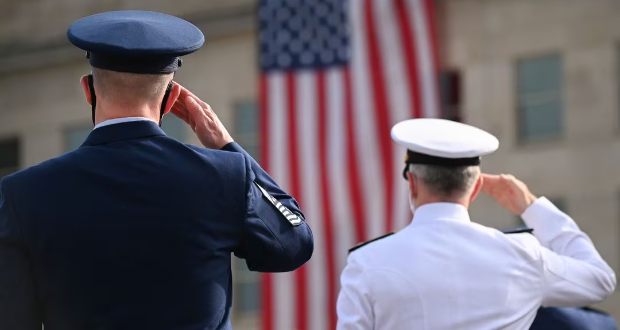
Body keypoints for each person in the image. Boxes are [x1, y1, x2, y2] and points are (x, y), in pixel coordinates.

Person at [0, 11, 313, 330]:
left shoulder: (22, 194)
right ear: (172, 98)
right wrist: (227, 147)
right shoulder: (223, 174)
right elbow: (293, 244)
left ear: (88, 89)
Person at [336, 118, 615, 329]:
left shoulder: (366, 262)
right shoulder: (524, 256)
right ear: (477, 186)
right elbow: (601, 280)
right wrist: (531, 205)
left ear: (412, 183)